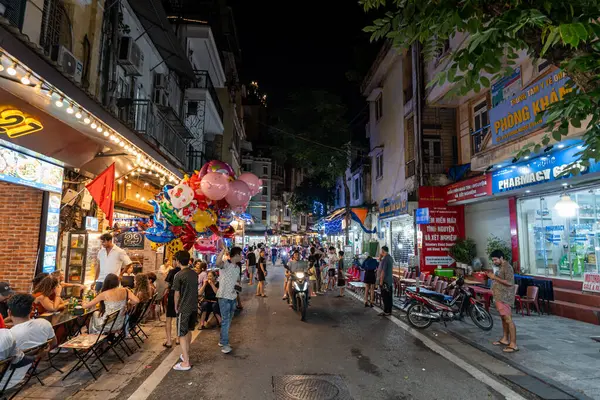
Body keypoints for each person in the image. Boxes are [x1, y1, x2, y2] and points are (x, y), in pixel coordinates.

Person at [5, 294, 56, 389]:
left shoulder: (9, 336)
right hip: (19, 375)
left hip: (5, 380)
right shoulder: (44, 323)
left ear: (9, 312)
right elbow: (54, 343)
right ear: (32, 309)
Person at [172, 251, 198, 371]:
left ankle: (186, 362)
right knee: (189, 331)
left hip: (184, 308)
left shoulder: (179, 275)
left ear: (177, 260)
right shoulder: (194, 273)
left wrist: (176, 306)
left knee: (181, 334)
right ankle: (185, 354)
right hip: (193, 307)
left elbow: (176, 294)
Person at [488, 250, 518, 353]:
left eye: (495, 259)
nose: (494, 262)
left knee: (508, 319)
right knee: (503, 319)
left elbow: (509, 282)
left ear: (501, 258)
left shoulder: (507, 267)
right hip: (499, 297)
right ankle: (505, 339)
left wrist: (494, 277)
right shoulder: (500, 267)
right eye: (493, 260)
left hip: (505, 297)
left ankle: (513, 344)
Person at [216, 243, 242, 354]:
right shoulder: (226, 264)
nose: (242, 256)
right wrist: (222, 250)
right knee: (226, 320)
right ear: (236, 255)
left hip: (232, 297)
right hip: (223, 296)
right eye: (240, 254)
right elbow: (218, 263)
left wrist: (238, 288)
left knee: (228, 320)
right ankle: (225, 345)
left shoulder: (238, 268)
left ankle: (222, 340)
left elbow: (238, 281)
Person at [163, 258, 182, 348]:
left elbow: (166, 285)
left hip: (172, 295)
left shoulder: (172, 271)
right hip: (182, 296)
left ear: (176, 261)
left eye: (173, 260)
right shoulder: (184, 271)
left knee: (169, 318)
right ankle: (178, 339)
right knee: (179, 317)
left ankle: (169, 341)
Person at [378, 246, 394, 317]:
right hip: (390, 281)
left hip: (385, 281)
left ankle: (386, 311)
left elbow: (383, 271)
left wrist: (381, 282)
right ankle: (389, 310)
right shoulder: (390, 258)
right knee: (389, 296)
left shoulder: (385, 259)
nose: (380, 252)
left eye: (381, 251)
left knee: (385, 296)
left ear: (383, 251)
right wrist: (380, 257)